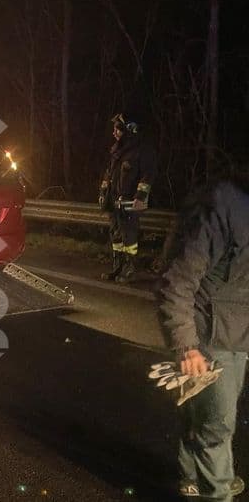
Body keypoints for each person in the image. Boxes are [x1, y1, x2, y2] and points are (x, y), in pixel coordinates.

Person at [158, 177, 249, 500]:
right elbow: (177, 280)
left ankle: (192, 477)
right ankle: (218, 491)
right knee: (217, 425)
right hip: (208, 336)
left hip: (236, 333)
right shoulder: (222, 207)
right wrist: (186, 345)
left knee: (201, 412)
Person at [99, 113, 157, 283]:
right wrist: (103, 194)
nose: (114, 133)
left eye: (117, 129)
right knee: (116, 235)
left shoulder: (142, 150)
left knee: (129, 237)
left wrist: (140, 197)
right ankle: (117, 267)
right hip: (115, 202)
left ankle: (130, 269)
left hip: (131, 203)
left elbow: (148, 175)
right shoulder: (117, 151)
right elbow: (109, 174)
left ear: (129, 130)